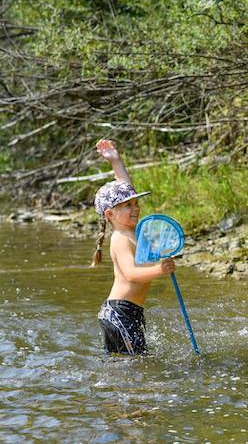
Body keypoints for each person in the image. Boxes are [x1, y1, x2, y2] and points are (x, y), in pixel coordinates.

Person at [91, 139, 176, 355]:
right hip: (119, 313)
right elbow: (131, 274)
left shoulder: (134, 230)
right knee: (134, 363)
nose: (135, 208)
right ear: (110, 214)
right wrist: (160, 269)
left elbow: (125, 187)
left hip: (130, 312)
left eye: (136, 203)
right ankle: (124, 389)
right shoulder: (121, 238)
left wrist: (115, 161)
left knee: (132, 361)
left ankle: (120, 387)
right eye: (128, 205)